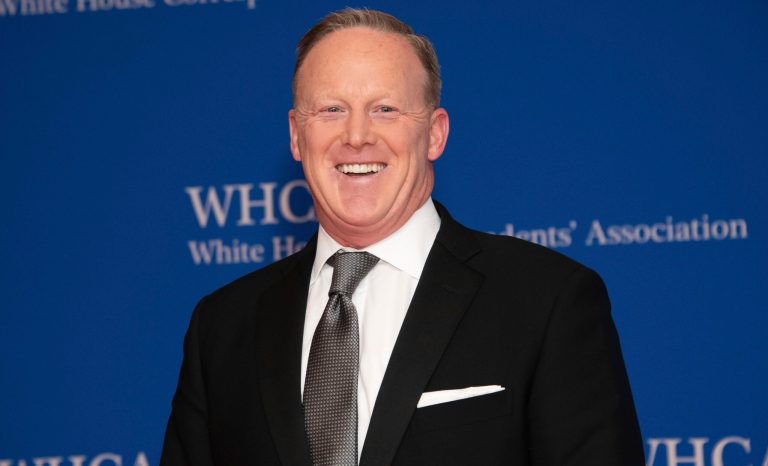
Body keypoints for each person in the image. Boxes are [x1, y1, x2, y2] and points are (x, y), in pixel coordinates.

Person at [161, 8, 645, 466]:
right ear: (295, 135)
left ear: (435, 134)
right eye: (331, 109)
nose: (356, 136)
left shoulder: (546, 301)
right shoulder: (222, 327)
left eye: (385, 109)